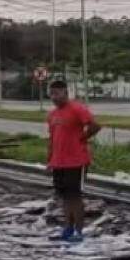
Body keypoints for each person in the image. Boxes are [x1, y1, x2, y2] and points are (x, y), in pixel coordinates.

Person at [46, 79, 101, 242]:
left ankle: (78, 230)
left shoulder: (77, 108)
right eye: (52, 94)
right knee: (63, 196)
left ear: (65, 93)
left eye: (57, 93)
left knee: (74, 196)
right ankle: (67, 228)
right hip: (59, 161)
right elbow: (52, 138)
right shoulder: (52, 115)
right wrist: (50, 159)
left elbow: (94, 125)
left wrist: (82, 138)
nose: (54, 97)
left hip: (75, 161)